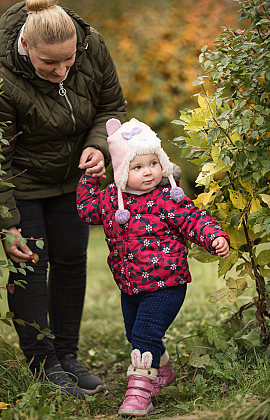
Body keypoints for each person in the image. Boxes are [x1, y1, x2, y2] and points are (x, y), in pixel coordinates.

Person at [0, 0, 126, 398]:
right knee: (30, 265)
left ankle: (68, 356)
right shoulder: (3, 75)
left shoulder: (92, 46)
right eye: (49, 63)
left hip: (73, 180)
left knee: (72, 260)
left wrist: (97, 145)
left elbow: (109, 106)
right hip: (20, 182)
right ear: (25, 45)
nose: (61, 71)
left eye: (68, 60)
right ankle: (43, 362)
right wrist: (7, 222)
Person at [76, 118, 230, 415]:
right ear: (122, 171)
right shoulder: (111, 200)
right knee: (134, 335)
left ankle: (139, 392)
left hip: (167, 284)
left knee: (145, 334)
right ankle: (163, 372)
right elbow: (86, 211)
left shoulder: (167, 199)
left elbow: (194, 219)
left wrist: (214, 237)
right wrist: (89, 179)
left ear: (162, 164)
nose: (148, 172)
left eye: (153, 163)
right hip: (130, 285)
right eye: (137, 167)